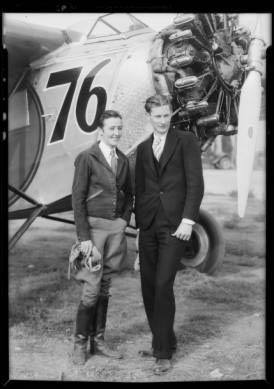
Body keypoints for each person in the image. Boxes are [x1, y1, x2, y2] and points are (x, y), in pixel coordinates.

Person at [134, 94, 204, 375]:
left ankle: (163, 354)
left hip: (176, 226)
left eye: (166, 115)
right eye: (157, 116)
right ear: (149, 116)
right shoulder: (141, 149)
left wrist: (188, 220)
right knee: (148, 287)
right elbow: (141, 191)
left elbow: (196, 184)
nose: (163, 121)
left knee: (163, 284)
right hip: (149, 225)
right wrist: (139, 232)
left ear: (171, 114)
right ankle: (163, 340)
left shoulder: (186, 141)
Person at [71, 110, 133, 365]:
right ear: (101, 131)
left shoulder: (123, 160)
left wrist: (123, 221)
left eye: (119, 128)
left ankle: (99, 342)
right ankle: (79, 344)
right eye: (111, 128)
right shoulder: (87, 157)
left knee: (105, 286)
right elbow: (77, 198)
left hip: (114, 230)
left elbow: (129, 195)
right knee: (91, 288)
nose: (116, 132)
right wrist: (84, 237)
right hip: (93, 232)